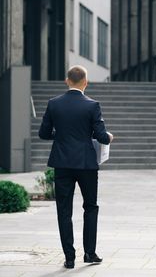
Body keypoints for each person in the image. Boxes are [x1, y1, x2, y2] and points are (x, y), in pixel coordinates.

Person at [38, 65, 113, 269]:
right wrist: (109, 137)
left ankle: (69, 258)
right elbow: (101, 136)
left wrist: (60, 135)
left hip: (62, 163)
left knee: (64, 210)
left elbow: (43, 134)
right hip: (86, 164)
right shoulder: (92, 105)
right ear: (86, 82)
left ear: (67, 81)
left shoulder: (54, 104)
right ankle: (89, 253)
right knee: (90, 207)